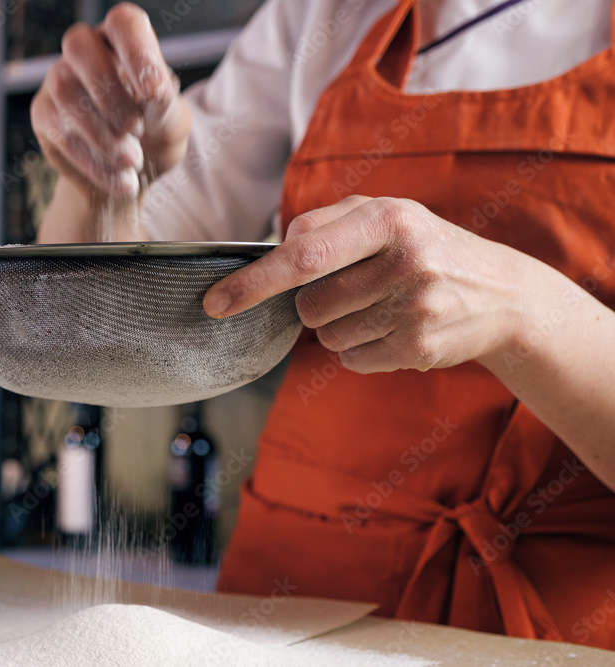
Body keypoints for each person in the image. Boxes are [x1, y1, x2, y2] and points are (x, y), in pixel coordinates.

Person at [31, 0, 615, 649]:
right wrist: (98, 184)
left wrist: (521, 309)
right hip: (290, 602)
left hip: (556, 626)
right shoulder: (316, 19)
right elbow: (98, 332)